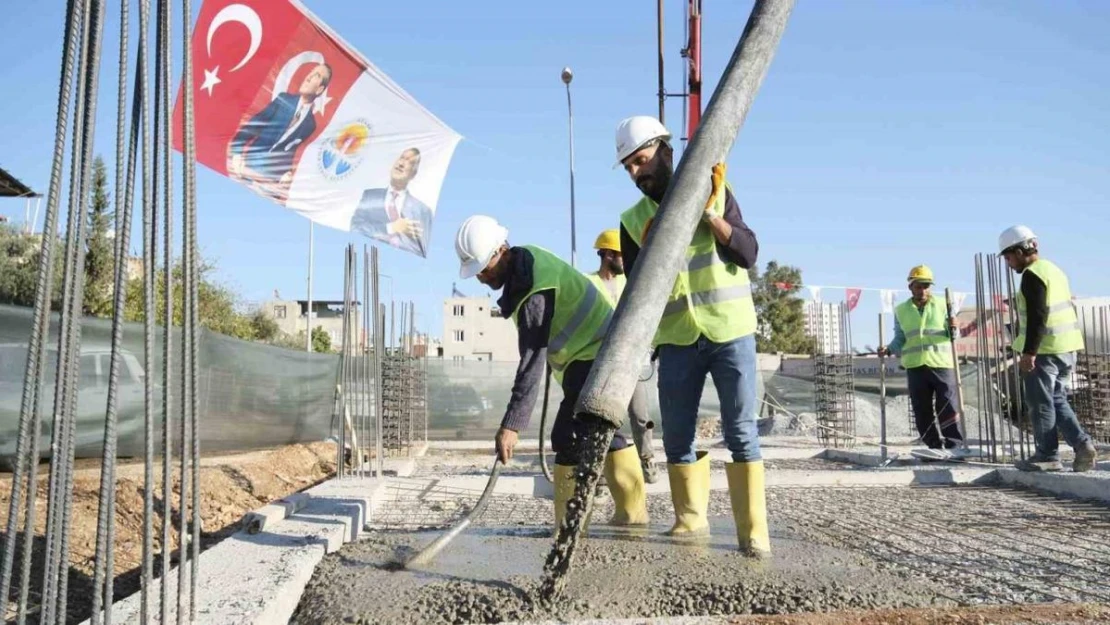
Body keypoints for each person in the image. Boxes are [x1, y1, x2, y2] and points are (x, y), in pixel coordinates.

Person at [615, 116, 767, 557]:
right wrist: (647, 249)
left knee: (741, 432)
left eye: (640, 161)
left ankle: (753, 534)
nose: (636, 173)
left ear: (665, 151)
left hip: (729, 329)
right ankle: (688, 521)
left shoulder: (714, 189)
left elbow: (749, 252)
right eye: (628, 167)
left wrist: (713, 217)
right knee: (678, 435)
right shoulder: (631, 221)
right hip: (678, 339)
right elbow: (637, 293)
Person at [454, 215, 649, 528]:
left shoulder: (534, 287)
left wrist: (512, 425)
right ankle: (630, 515)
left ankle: (570, 530)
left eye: (483, 269)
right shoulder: (526, 264)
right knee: (599, 431)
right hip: (592, 355)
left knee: (568, 436)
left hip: (599, 353)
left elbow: (532, 359)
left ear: (500, 251)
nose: (480, 278)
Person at [998, 225, 1096, 473]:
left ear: (1020, 251)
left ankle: (1047, 455)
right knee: (1056, 399)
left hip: (1045, 350)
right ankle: (1083, 445)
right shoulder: (1054, 270)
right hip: (1067, 348)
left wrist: (1030, 352)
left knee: (1040, 403)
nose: (1009, 263)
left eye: (1008, 257)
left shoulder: (1032, 275)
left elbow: (1038, 315)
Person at [584, 229, 659, 483]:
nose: (625, 260)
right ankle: (601, 474)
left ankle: (647, 460)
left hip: (629, 361)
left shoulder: (630, 282)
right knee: (603, 420)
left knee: (640, 415)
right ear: (607, 254)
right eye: (620, 255)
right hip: (601, 364)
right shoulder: (588, 284)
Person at [878, 265, 966, 458]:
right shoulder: (901, 310)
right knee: (921, 408)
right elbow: (900, 338)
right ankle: (933, 444)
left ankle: (954, 444)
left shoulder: (945, 304)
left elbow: (954, 335)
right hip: (915, 366)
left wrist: (955, 328)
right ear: (911, 287)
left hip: (942, 363)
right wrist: (889, 349)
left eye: (926, 286)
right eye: (919, 286)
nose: (923, 290)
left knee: (947, 404)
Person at [228, 63, 332, 185]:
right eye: (311, 72)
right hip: (247, 165)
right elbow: (254, 126)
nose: (308, 77)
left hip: (269, 180)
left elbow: (289, 151)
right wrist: (236, 153)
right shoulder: (283, 100)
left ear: (319, 89)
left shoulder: (310, 125)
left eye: (317, 75)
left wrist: (286, 173)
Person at [350, 148, 433, 257]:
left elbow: (421, 251)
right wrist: (391, 228)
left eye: (410, 162)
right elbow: (355, 228)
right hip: (369, 257)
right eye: (402, 158)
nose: (402, 163)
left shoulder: (422, 210)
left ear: (413, 173)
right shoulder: (370, 196)